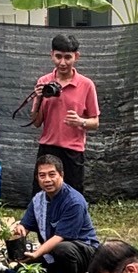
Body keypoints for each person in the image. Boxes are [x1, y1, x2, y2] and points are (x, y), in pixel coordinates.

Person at [11, 155, 99, 273]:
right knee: (23, 268)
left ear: (61, 175)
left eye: (52, 174)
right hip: (53, 250)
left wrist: (37, 253)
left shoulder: (74, 201)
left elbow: (60, 237)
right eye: (42, 175)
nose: (47, 180)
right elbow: (26, 224)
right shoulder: (39, 199)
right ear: (37, 178)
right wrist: (21, 230)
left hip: (84, 252)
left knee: (62, 249)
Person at [30, 33, 98, 193]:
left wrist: (80, 121)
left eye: (68, 57)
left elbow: (95, 122)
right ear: (51, 55)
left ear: (76, 57)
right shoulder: (43, 82)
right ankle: (43, 219)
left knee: (73, 196)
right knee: (41, 195)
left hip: (73, 151)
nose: (62, 62)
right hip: (47, 148)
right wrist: (38, 99)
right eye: (58, 56)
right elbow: (36, 122)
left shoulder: (86, 85)